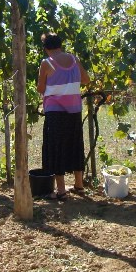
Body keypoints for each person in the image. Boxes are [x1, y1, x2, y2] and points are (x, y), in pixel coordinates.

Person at [37, 33, 90, 199]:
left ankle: (61, 191)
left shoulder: (46, 63)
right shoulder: (74, 59)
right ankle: (79, 185)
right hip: (74, 110)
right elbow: (86, 79)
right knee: (75, 145)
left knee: (56, 148)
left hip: (55, 112)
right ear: (60, 45)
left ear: (46, 48)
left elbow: (40, 88)